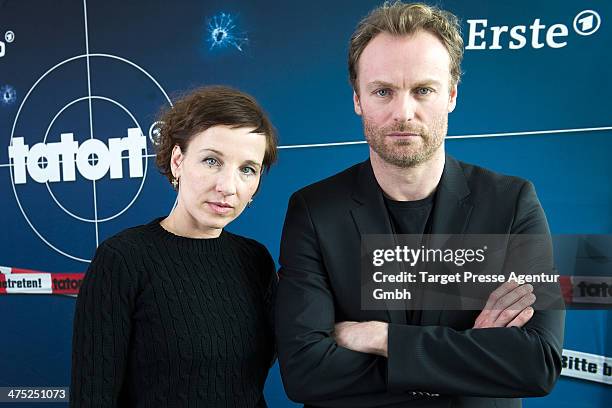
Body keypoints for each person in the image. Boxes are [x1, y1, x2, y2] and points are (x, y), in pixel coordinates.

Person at [275, 2, 565, 407]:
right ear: (358, 98)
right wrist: (465, 357)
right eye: (383, 91)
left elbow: (537, 362)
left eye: (423, 90)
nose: (403, 112)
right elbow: (305, 372)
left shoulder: (513, 203)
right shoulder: (314, 210)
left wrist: (380, 337)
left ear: (451, 95)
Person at [71, 86, 278, 407]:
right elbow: (92, 398)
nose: (228, 187)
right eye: (212, 161)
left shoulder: (256, 260)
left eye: (247, 169)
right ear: (178, 160)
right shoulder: (123, 259)